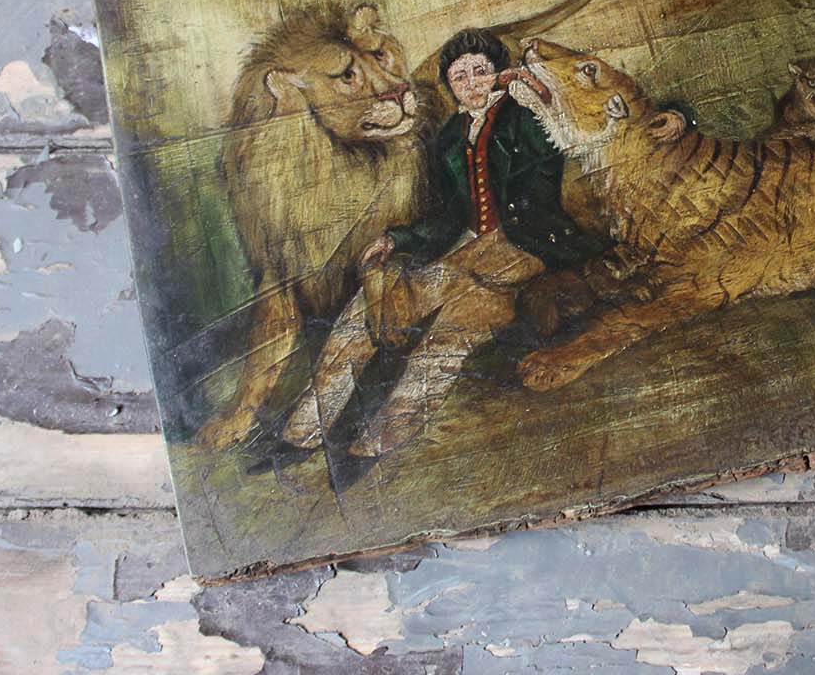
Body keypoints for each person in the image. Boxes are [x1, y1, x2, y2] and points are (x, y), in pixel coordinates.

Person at [279, 28, 687, 458]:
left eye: (480, 71)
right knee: (368, 307)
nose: (471, 83)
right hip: (469, 246)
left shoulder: (529, 115)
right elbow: (449, 219)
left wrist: (680, 116)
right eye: (460, 76)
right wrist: (394, 239)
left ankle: (384, 438)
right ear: (449, 84)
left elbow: (602, 110)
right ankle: (303, 430)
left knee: (449, 333)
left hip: (529, 245)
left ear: (497, 73)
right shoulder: (451, 136)